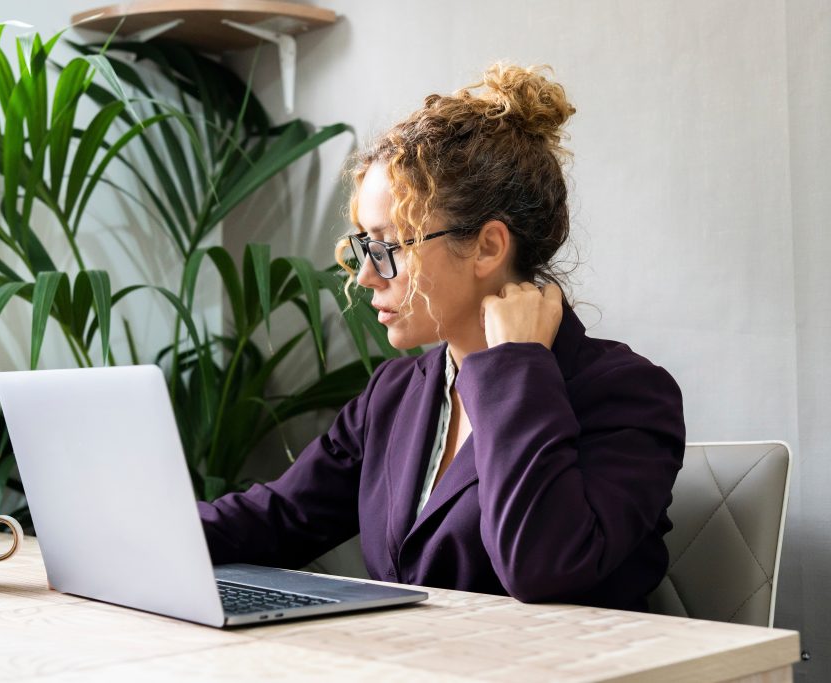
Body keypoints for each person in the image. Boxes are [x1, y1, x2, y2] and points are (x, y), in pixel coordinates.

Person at [197, 63, 685, 612]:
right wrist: (120, 531)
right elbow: (278, 519)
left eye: (389, 246)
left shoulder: (627, 393)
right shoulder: (396, 392)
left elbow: (545, 570)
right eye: (363, 248)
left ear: (487, 247)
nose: (365, 276)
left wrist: (516, 365)